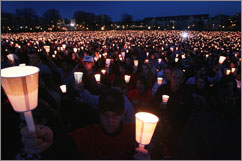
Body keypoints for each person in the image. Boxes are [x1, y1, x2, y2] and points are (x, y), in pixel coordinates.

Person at [20, 89, 146, 159]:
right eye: (105, 116)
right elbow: (65, 143)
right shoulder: (89, 134)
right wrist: (48, 138)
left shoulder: (136, 133)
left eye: (115, 116)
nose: (110, 122)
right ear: (99, 114)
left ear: (123, 114)